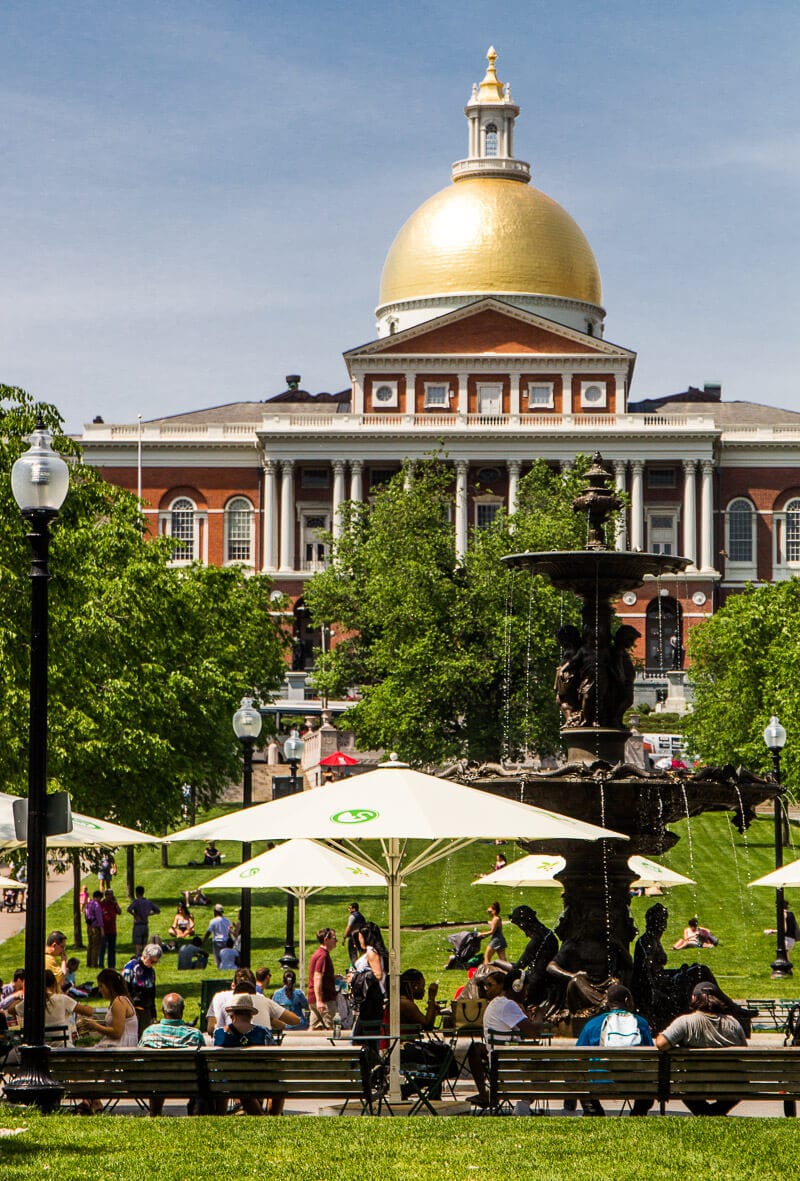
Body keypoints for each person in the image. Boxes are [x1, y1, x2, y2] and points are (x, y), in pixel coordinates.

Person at [656, 981, 746, 1115]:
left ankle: (705, 1113)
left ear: (693, 998)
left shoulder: (685, 1022)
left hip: (692, 1085)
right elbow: (744, 1051)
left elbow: (661, 1044)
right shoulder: (733, 1023)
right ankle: (714, 1113)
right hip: (729, 1085)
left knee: (680, 1083)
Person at [564, 984, 654, 1117]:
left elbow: (578, 1059)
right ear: (627, 1001)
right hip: (635, 1082)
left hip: (599, 1082)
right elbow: (651, 1056)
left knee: (582, 1079)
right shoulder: (640, 1023)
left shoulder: (592, 1024)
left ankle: (593, 1111)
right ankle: (638, 1114)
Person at [468, 965, 540, 1108]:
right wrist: (540, 1015)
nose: (527, 992)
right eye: (525, 988)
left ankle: (523, 1106)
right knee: (551, 1066)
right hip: (511, 1070)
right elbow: (533, 1032)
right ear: (517, 987)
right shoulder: (508, 1006)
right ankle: (523, 1107)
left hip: (500, 1068)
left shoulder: (497, 1004)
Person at [74, 969, 139, 1114]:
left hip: (119, 1049)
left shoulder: (119, 1002)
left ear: (109, 986)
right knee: (81, 1063)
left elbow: (117, 1032)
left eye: (101, 986)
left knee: (77, 1064)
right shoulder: (122, 1001)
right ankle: (93, 1101)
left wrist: (94, 1026)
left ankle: (90, 1101)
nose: (100, 990)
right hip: (119, 1047)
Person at [139, 992, 205, 1115]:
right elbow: (203, 1063)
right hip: (188, 1083)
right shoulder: (195, 1035)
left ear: (163, 1010)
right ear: (183, 1010)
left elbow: (141, 1061)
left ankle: (155, 1113)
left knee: (157, 1074)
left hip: (155, 1083)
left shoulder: (149, 1032)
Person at [212, 994, 277, 1116]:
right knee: (278, 1084)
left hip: (226, 1081)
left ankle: (219, 1116)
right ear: (251, 1014)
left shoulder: (219, 1033)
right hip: (258, 1080)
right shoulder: (263, 1032)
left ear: (232, 1015)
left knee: (221, 1079)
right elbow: (274, 1060)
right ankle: (271, 1117)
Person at [205, 968, 300, 1036]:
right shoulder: (263, 1000)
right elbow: (294, 1020)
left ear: (233, 985)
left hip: (229, 1058)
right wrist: (270, 1019)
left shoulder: (220, 999)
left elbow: (211, 1029)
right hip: (262, 1059)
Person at [15, 970, 96, 1045]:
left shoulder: (32, 1001)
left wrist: (25, 995)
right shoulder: (62, 999)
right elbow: (89, 1012)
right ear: (54, 983)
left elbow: (11, 1010)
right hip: (63, 1048)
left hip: (39, 1049)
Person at [351, 922, 389, 1041]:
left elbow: (377, 974)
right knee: (361, 1033)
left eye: (361, 937)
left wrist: (356, 977)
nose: (359, 939)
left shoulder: (371, 951)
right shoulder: (374, 951)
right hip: (370, 998)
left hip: (371, 997)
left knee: (366, 1034)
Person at [122, 943, 163, 1035]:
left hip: (146, 1010)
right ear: (145, 956)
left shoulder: (151, 971)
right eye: (152, 962)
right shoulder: (130, 968)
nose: (153, 965)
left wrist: (153, 1014)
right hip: (132, 1009)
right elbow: (123, 990)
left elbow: (152, 993)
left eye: (155, 962)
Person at [308, 927, 339, 1031]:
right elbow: (317, 977)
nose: (336, 940)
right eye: (334, 938)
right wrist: (319, 1000)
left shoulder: (319, 954)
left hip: (314, 997)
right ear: (326, 939)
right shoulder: (323, 956)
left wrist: (333, 977)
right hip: (325, 999)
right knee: (329, 1029)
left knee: (314, 1028)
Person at [127, 885, 161, 956]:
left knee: (137, 944)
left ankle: (137, 958)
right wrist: (149, 914)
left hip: (138, 925)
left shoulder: (136, 902)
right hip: (145, 925)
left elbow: (129, 909)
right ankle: (144, 958)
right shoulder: (148, 902)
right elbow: (157, 910)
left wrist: (135, 915)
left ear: (136, 893)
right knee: (144, 944)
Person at [203, 904, 232, 969]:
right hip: (226, 941)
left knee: (218, 959)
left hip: (217, 941)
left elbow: (208, 932)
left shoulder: (213, 921)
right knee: (225, 957)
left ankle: (219, 968)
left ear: (215, 911)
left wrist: (203, 941)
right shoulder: (227, 920)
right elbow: (229, 932)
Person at [99, 889, 121, 969]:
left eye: (111, 894)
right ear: (106, 895)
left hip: (112, 930)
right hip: (104, 930)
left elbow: (119, 912)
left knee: (112, 949)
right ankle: (101, 964)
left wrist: (116, 903)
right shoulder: (101, 904)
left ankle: (112, 965)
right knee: (102, 948)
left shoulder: (114, 904)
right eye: (109, 894)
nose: (110, 896)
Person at [84, 890, 105, 968]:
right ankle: (94, 964)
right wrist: (102, 930)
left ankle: (88, 962)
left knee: (90, 945)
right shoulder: (97, 905)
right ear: (99, 897)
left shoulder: (88, 904)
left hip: (89, 926)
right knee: (95, 946)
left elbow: (86, 914)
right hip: (95, 927)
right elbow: (99, 918)